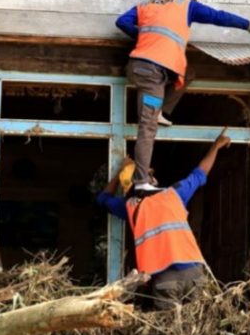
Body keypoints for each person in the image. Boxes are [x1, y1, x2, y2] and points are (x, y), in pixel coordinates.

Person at [116, 0, 250, 191]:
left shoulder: (147, 6)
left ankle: (162, 110)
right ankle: (141, 181)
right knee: (147, 128)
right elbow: (218, 17)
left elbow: (122, 21)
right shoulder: (185, 5)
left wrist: (145, 36)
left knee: (188, 73)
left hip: (145, 67)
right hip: (150, 74)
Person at [97, 129, 232, 310]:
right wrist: (216, 146)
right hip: (194, 273)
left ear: (128, 188)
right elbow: (200, 174)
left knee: (171, 334)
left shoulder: (130, 207)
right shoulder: (174, 194)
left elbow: (102, 199)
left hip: (165, 278)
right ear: (151, 179)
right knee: (198, 330)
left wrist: (119, 172)